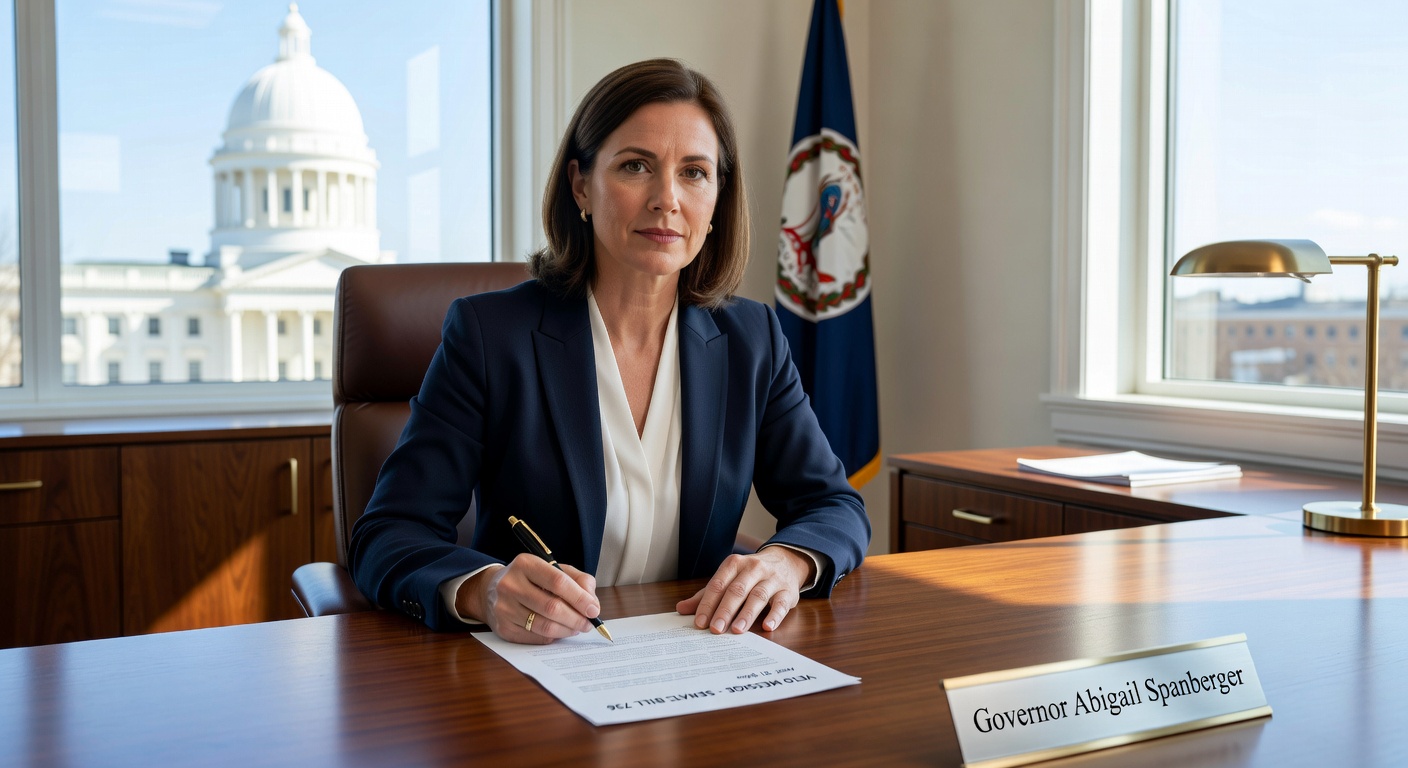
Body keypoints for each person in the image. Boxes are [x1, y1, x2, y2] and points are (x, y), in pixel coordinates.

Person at [348, 58, 869, 644]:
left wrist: (786, 562)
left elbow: (834, 506)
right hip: (536, 671)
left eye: (694, 172)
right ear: (580, 186)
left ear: (719, 197)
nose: (666, 199)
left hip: (699, 665)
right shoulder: (491, 336)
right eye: (635, 166)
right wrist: (486, 589)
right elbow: (388, 533)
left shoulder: (753, 340)